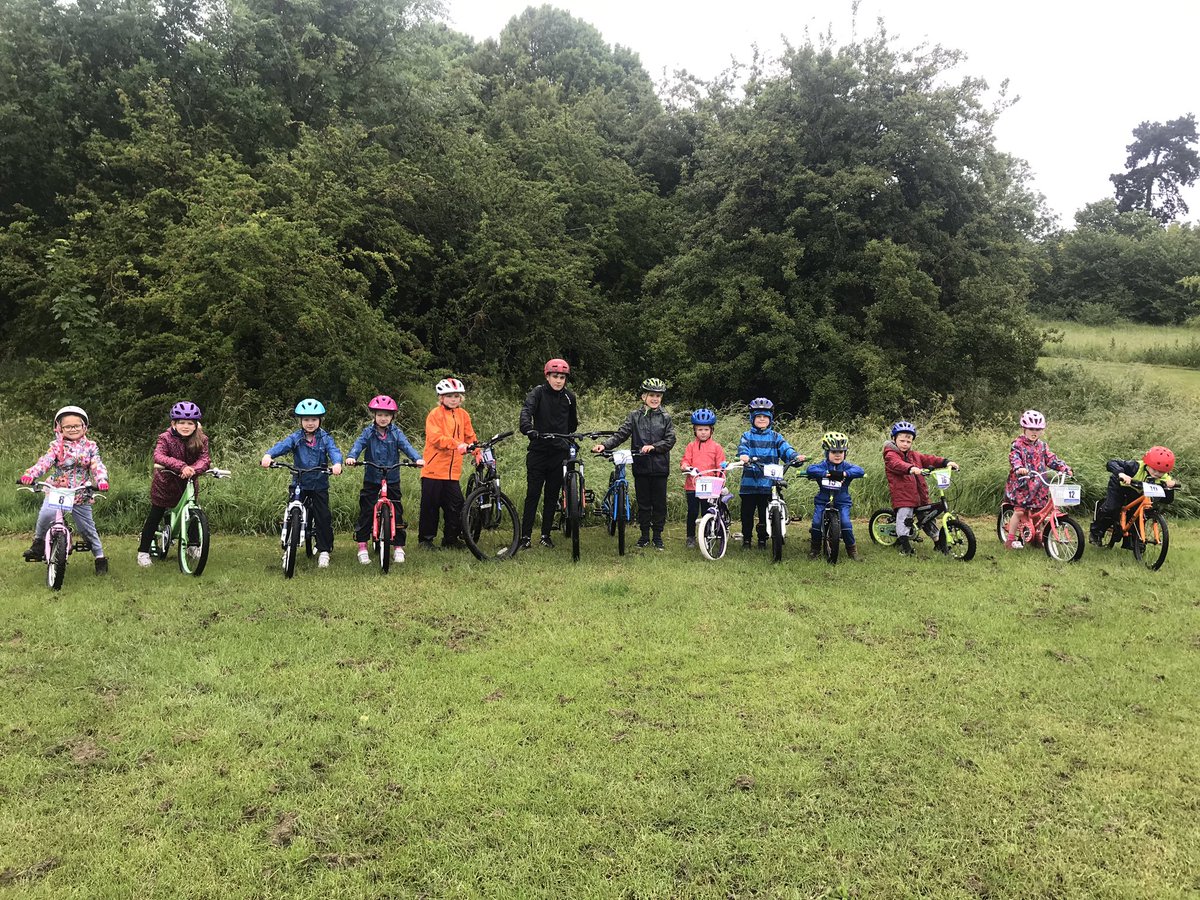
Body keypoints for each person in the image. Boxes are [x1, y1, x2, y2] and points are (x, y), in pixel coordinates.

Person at [20, 406, 110, 574]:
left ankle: (100, 558)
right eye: (68, 426)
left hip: (80, 491)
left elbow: (97, 465)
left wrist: (101, 480)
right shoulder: (56, 446)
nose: (73, 429)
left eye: (77, 425)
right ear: (60, 428)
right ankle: (38, 543)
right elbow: (44, 462)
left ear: (84, 427)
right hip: (58, 489)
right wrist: (30, 475)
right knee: (46, 514)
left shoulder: (90, 447)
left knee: (87, 528)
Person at [593, 378, 678, 550]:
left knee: (659, 504)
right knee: (644, 503)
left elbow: (670, 439)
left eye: (658, 396)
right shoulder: (634, 416)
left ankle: (658, 536)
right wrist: (605, 445)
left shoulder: (666, 417)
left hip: (660, 467)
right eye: (652, 395)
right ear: (643, 397)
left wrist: (653, 447)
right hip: (641, 467)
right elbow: (621, 434)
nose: (655, 399)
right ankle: (644, 536)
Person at [259, 399, 344, 568]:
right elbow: (283, 446)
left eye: (313, 419)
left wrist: (336, 464)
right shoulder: (296, 438)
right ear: (300, 421)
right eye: (306, 419)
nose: (310, 423)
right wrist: (269, 455)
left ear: (320, 420)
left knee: (323, 517)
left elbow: (334, 451)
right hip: (299, 481)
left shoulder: (325, 438)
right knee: (291, 514)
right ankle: (287, 548)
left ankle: (324, 550)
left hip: (319, 483)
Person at [346, 395, 424, 565]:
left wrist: (417, 459)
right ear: (374, 415)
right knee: (367, 511)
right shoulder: (368, 432)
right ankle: (362, 546)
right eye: (380, 415)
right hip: (372, 478)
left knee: (397, 511)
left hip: (392, 477)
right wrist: (352, 457)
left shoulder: (396, 433)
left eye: (387, 415)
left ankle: (398, 546)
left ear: (392, 417)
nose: (383, 418)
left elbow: (406, 446)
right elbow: (358, 445)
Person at [137, 401, 209, 567]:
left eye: (190, 423)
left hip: (188, 484)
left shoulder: (202, 439)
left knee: (191, 512)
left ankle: (192, 546)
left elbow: (205, 459)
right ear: (173, 424)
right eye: (181, 422)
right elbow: (159, 456)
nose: (185, 426)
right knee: (155, 515)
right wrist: (181, 466)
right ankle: (143, 551)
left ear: (196, 424)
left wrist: (193, 469)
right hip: (166, 484)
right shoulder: (165, 438)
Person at [518, 358, 578, 549]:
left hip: (558, 452)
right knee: (533, 494)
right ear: (547, 376)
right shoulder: (537, 393)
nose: (558, 380)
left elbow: (572, 423)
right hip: (539, 450)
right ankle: (525, 537)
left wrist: (566, 438)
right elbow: (526, 412)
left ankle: (545, 535)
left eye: (562, 377)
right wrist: (529, 429)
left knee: (552, 495)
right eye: (555, 376)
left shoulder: (570, 397)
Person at [882, 420, 959, 556]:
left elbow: (929, 459)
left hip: (920, 495)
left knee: (928, 517)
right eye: (902, 441)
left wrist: (946, 462)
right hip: (903, 495)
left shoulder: (914, 455)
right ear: (894, 439)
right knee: (905, 518)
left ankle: (938, 543)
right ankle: (905, 547)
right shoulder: (890, 455)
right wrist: (911, 468)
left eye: (909, 441)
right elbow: (896, 464)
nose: (905, 444)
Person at [418, 378, 478, 551]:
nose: (453, 399)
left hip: (452, 472)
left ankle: (450, 539)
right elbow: (435, 438)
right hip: (433, 470)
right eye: (449, 396)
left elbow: (470, 437)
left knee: (456, 506)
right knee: (430, 507)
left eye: (456, 396)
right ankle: (425, 540)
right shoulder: (435, 414)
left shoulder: (463, 415)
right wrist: (456, 444)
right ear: (441, 398)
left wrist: (477, 451)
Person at [736, 398, 804, 550]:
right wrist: (744, 456)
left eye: (765, 416)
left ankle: (763, 539)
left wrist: (795, 457)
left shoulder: (776, 437)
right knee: (746, 514)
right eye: (758, 416)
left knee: (765, 514)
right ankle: (746, 539)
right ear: (752, 419)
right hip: (749, 483)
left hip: (768, 484)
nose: (761, 419)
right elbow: (743, 448)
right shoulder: (747, 436)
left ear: (770, 419)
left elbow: (786, 450)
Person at [1004, 409, 1073, 550]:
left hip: (1039, 485)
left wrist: (1063, 467)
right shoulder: (1017, 444)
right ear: (1024, 428)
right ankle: (1010, 540)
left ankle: (1037, 536)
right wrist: (1019, 468)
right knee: (1019, 511)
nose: (1034, 432)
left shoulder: (1042, 445)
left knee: (1039, 512)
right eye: (1031, 429)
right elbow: (1014, 457)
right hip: (1022, 484)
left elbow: (1050, 458)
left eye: (1038, 429)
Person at [1089, 445, 1178, 546]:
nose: (1157, 474)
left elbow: (1167, 500)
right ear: (1147, 464)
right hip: (1120, 486)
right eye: (1154, 469)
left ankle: (1134, 541)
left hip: (1137, 491)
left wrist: (1170, 487)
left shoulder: (1166, 478)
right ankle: (1096, 533)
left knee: (1139, 512)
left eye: (1161, 472)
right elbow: (1111, 463)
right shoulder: (1134, 467)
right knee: (1112, 507)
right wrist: (1121, 473)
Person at [806, 431, 866, 560]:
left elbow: (860, 471)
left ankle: (852, 549)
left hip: (842, 500)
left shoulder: (847, 466)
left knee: (845, 523)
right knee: (816, 523)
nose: (838, 455)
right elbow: (810, 469)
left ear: (845, 453)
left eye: (841, 452)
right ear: (827, 453)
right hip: (823, 499)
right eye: (834, 452)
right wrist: (825, 473)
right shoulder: (823, 465)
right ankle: (815, 549)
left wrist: (845, 474)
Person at [680, 408, 727, 548]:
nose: (703, 432)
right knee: (693, 512)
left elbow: (721, 465)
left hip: (710, 485)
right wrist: (686, 467)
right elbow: (685, 461)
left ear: (711, 430)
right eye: (699, 429)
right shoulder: (691, 446)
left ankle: (707, 534)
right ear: (695, 430)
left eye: (706, 429)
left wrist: (721, 477)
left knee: (708, 510)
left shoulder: (717, 447)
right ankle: (690, 537)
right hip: (693, 485)